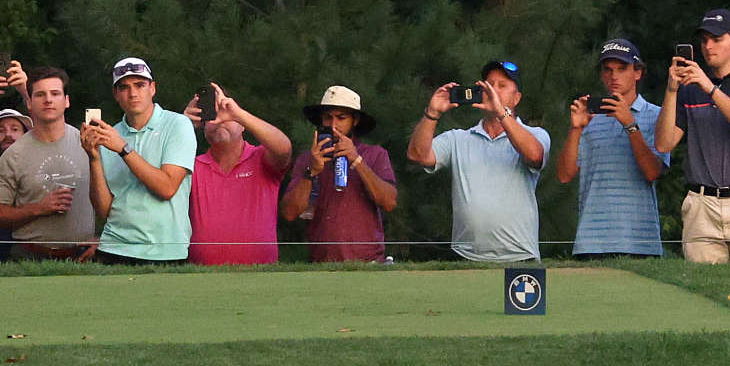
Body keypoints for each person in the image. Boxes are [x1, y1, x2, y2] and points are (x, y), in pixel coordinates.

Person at [653, 9, 730, 266]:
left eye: (717, 38)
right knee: (703, 292)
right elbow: (664, 143)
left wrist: (711, 89)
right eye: (704, 40)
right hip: (701, 204)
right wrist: (671, 90)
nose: (708, 46)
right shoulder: (689, 91)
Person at [408, 61, 550, 262]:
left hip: (519, 255)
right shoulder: (458, 138)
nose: (493, 90)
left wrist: (502, 113)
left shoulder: (535, 134)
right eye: (489, 85)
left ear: (516, 98)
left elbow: (535, 155)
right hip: (466, 256)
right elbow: (418, 155)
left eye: (502, 86)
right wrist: (432, 113)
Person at [557, 39, 671, 258]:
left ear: (638, 73)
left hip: (640, 241)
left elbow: (652, 172)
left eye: (622, 69)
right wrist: (575, 129)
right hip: (591, 241)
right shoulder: (589, 117)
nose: (614, 76)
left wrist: (630, 124)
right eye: (608, 70)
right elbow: (564, 175)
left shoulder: (657, 115)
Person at [83, 57, 196, 264]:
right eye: (124, 87)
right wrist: (94, 159)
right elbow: (103, 211)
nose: (133, 93)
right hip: (114, 246)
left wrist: (124, 148)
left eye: (140, 85)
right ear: (116, 94)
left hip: (166, 251)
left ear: (152, 88)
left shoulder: (178, 124)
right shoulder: (110, 135)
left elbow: (167, 187)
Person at [0, 67, 97, 260]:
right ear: (29, 102)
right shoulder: (13, 154)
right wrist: (39, 208)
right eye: (40, 94)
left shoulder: (88, 144)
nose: (48, 100)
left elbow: (116, 199)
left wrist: (103, 240)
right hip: (29, 256)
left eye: (55, 93)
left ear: (67, 101)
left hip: (84, 256)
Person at [280, 85, 397, 262]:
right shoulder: (308, 159)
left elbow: (389, 203)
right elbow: (289, 213)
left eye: (341, 118)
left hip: (368, 264)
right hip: (321, 265)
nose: (333, 126)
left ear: (355, 120)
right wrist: (311, 172)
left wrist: (357, 161)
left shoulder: (374, 154)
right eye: (328, 118)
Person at [185, 83, 293, 265]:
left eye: (226, 113)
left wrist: (238, 114)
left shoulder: (260, 158)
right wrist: (182, 125)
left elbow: (284, 149)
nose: (220, 119)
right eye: (213, 114)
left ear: (243, 125)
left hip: (260, 277)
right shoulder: (191, 166)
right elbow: (154, 173)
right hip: (202, 278)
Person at [0, 105, 32, 261]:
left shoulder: (39, 170)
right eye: (1, 131)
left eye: (15, 129)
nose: (8, 135)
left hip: (32, 249)